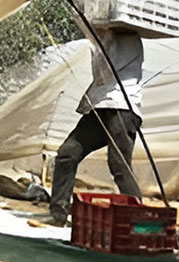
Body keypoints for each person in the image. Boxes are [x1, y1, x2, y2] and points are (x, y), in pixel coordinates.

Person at [43, 24, 144, 226]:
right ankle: (58, 214)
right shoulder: (103, 34)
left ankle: (139, 221)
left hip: (121, 105)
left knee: (119, 165)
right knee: (68, 153)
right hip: (101, 105)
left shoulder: (125, 35)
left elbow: (106, 71)